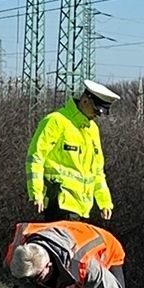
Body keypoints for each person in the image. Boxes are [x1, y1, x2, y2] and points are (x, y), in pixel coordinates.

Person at [26, 79, 119, 222]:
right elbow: (36, 157)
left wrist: (104, 202)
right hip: (59, 202)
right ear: (86, 101)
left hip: (82, 207)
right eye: (96, 110)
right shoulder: (56, 121)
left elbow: (97, 171)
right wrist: (36, 193)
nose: (97, 115)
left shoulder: (92, 130)